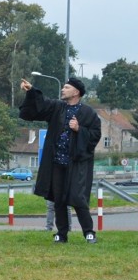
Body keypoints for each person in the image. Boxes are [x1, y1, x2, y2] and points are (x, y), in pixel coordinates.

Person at [20, 77, 101, 244]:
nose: (62, 90)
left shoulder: (88, 113)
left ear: (76, 92)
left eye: (66, 87)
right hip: (57, 162)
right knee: (58, 199)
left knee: (78, 198)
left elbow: (95, 135)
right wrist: (31, 90)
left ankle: (89, 232)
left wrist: (79, 129)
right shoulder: (57, 107)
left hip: (76, 163)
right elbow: (41, 105)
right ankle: (61, 234)